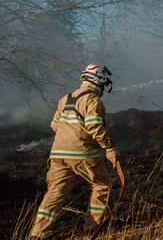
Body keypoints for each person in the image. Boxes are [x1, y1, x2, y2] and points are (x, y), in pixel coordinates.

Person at [30, 64, 119, 239]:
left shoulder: (65, 99)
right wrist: (109, 148)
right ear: (99, 81)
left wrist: (69, 135)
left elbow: (54, 125)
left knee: (55, 194)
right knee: (102, 184)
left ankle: (38, 234)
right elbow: (94, 127)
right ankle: (91, 229)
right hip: (83, 155)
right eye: (103, 85)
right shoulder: (93, 100)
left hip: (58, 155)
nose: (102, 89)